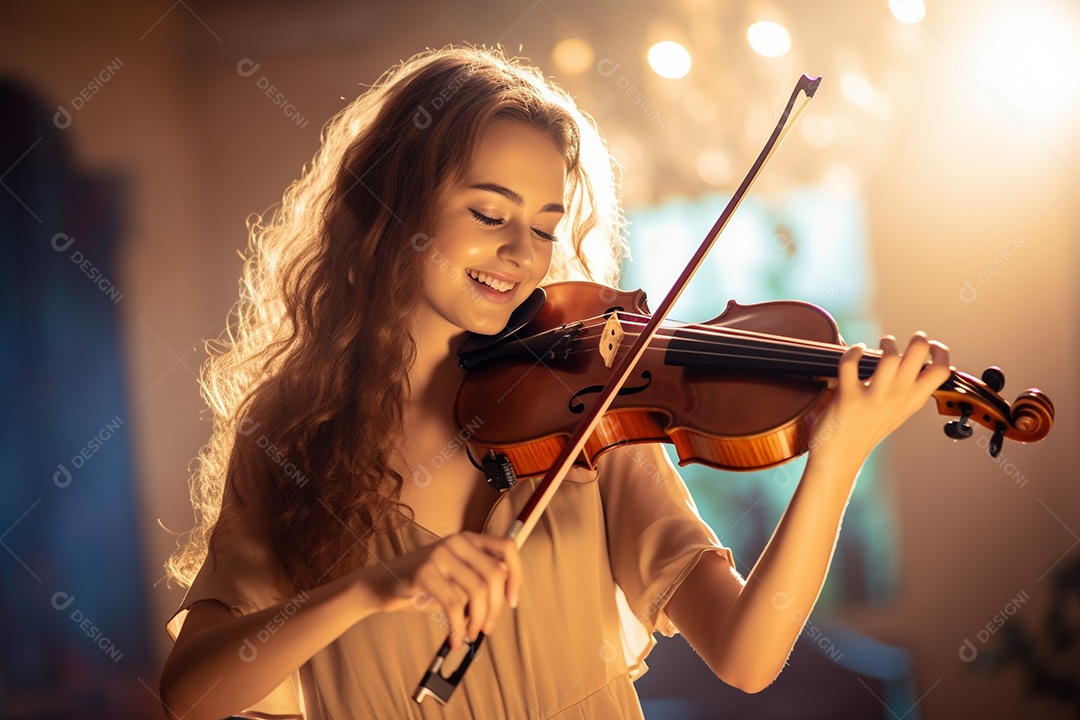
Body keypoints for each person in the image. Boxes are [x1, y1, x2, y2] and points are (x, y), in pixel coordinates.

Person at [158, 45, 951, 720]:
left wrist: (838, 455)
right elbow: (191, 693)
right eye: (488, 212)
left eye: (544, 226)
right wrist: (371, 588)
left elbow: (747, 654)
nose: (520, 252)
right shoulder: (300, 431)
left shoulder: (593, 418)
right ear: (398, 207)